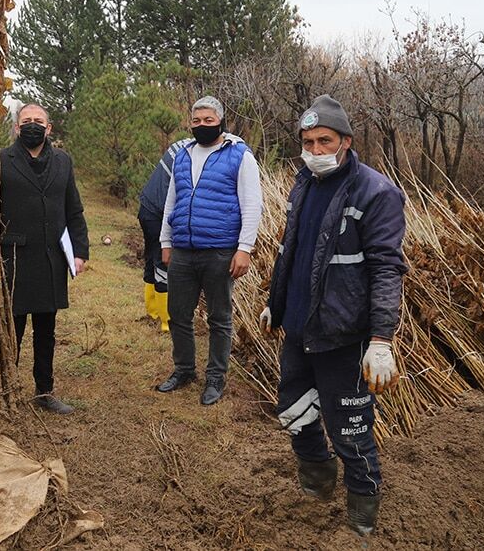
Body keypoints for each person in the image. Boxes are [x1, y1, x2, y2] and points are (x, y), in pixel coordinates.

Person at [259, 94, 406, 536]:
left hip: (345, 336)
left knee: (351, 431)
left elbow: (386, 268)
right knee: (293, 409)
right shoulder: (303, 183)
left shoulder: (376, 192)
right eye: (307, 142)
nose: (315, 150)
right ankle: (317, 481)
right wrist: (276, 303)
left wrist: (381, 340)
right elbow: (292, 252)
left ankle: (362, 517)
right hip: (300, 328)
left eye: (325, 140)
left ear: (346, 141)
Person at [156, 96, 262, 406]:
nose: (202, 125)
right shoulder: (184, 154)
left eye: (208, 120)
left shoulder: (239, 155)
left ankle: (216, 378)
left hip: (220, 251)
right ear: (190, 123)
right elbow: (171, 201)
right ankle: (184, 370)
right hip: (184, 251)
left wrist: (244, 249)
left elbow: (252, 205)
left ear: (221, 121)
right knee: (178, 314)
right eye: (197, 120)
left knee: (219, 318)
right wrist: (166, 242)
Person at [0, 103, 90, 415]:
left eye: (39, 121)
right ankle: (6, 391)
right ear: (16, 127)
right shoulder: (1, 160)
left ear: (49, 129)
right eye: (27, 121)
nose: (33, 125)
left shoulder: (63, 161)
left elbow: (73, 208)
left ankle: (44, 391)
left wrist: (79, 251)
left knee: (46, 329)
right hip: (13, 258)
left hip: (51, 257)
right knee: (12, 330)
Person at [138, 137, 194, 333]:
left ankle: (152, 310)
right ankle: (165, 320)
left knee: (151, 257)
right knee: (163, 261)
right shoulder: (191, 153)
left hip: (146, 206)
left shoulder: (180, 145)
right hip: (159, 211)